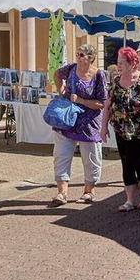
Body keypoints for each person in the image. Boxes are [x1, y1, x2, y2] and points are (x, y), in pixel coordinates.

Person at [105, 47, 140, 212]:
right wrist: (103, 128)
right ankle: (129, 200)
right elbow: (108, 105)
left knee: (139, 161)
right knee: (126, 162)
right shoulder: (116, 81)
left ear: (132, 63)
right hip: (121, 129)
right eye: (118, 62)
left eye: (122, 62)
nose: (119, 65)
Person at [51, 44, 109, 206]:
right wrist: (61, 90)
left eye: (82, 55)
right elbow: (56, 74)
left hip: (89, 123)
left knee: (91, 157)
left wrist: (81, 101)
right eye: (77, 54)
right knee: (61, 155)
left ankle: (89, 191)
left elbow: (102, 103)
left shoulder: (99, 75)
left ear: (91, 58)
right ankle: (62, 192)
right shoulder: (70, 68)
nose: (78, 57)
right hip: (68, 119)